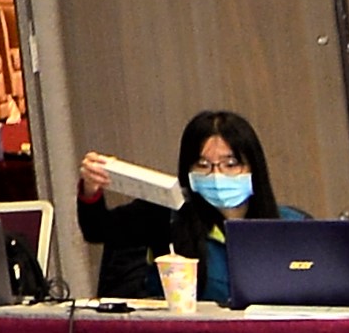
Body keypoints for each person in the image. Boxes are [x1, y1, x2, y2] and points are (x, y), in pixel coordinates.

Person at [81, 109, 298, 300]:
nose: (216, 175)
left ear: (253, 167)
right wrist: (91, 188)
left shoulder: (292, 224)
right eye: (203, 165)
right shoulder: (165, 214)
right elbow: (96, 229)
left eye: (230, 164)